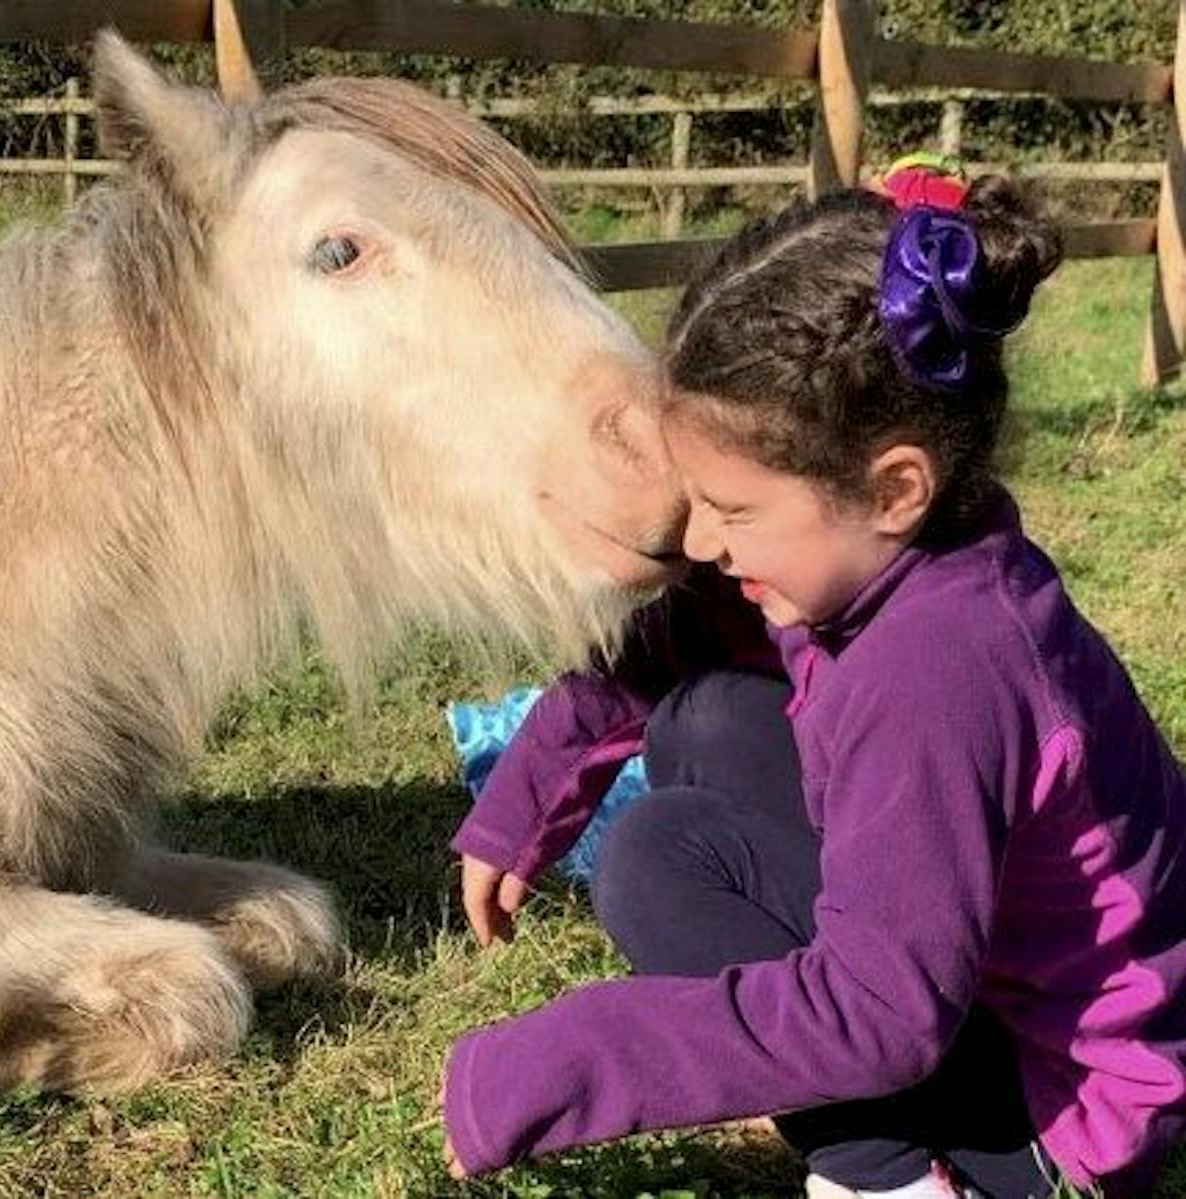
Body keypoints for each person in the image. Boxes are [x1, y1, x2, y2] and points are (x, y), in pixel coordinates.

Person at [439, 160, 1186, 1198]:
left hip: (1066, 1102)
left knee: (656, 858)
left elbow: (876, 1010)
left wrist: (557, 1060)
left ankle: (893, 1177)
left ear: (892, 485)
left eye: (731, 512)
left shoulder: (936, 669)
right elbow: (674, 639)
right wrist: (524, 797)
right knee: (702, 723)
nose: (694, 539)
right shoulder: (901, 556)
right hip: (997, 988)